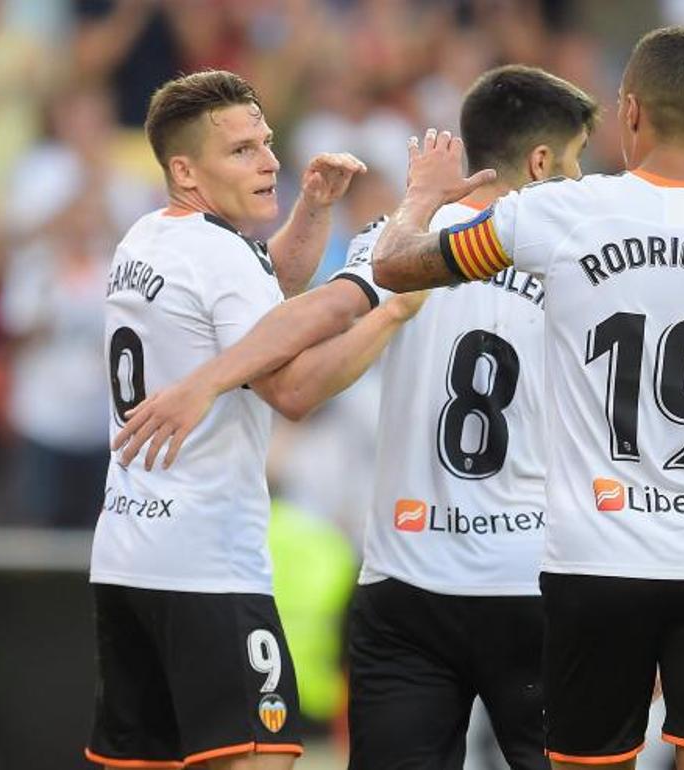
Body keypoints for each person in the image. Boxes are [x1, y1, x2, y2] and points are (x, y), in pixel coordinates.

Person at [371, 26, 684, 770]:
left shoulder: (562, 214)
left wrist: (420, 198)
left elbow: (395, 266)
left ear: (630, 112)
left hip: (596, 560)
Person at [111, 64, 600, 770]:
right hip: (533, 576)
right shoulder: (581, 260)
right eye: (578, 161)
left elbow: (290, 347)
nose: (581, 181)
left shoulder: (389, 241)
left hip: (404, 583)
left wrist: (384, 220)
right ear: (541, 161)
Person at [86, 69, 419, 770]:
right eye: (241, 150)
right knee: (260, 758)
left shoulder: (146, 238)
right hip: (208, 566)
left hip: (126, 556)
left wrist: (313, 211)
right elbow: (292, 386)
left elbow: (255, 303)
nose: (269, 160)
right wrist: (380, 289)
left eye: (266, 143)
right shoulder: (215, 253)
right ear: (186, 169)